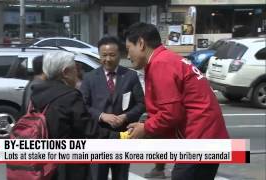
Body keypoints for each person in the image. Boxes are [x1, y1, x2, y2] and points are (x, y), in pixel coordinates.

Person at [125, 22, 229, 180]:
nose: (127, 56)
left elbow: (171, 114)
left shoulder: (160, 64)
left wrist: (145, 128)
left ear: (140, 43)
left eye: (128, 49)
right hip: (207, 137)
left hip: (200, 140)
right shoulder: (167, 59)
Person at [30, 51, 120, 180]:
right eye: (75, 69)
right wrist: (120, 136)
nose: (77, 74)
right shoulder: (70, 96)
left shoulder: (36, 93)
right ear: (66, 72)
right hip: (67, 167)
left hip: (42, 163)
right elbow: (89, 130)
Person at [80, 36, 145, 180]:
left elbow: (141, 103)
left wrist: (126, 116)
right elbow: (83, 105)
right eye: (104, 55)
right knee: (97, 176)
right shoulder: (90, 77)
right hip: (97, 136)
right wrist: (102, 115)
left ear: (120, 55)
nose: (107, 59)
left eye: (112, 55)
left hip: (122, 136)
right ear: (99, 55)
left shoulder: (130, 76)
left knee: (121, 176)